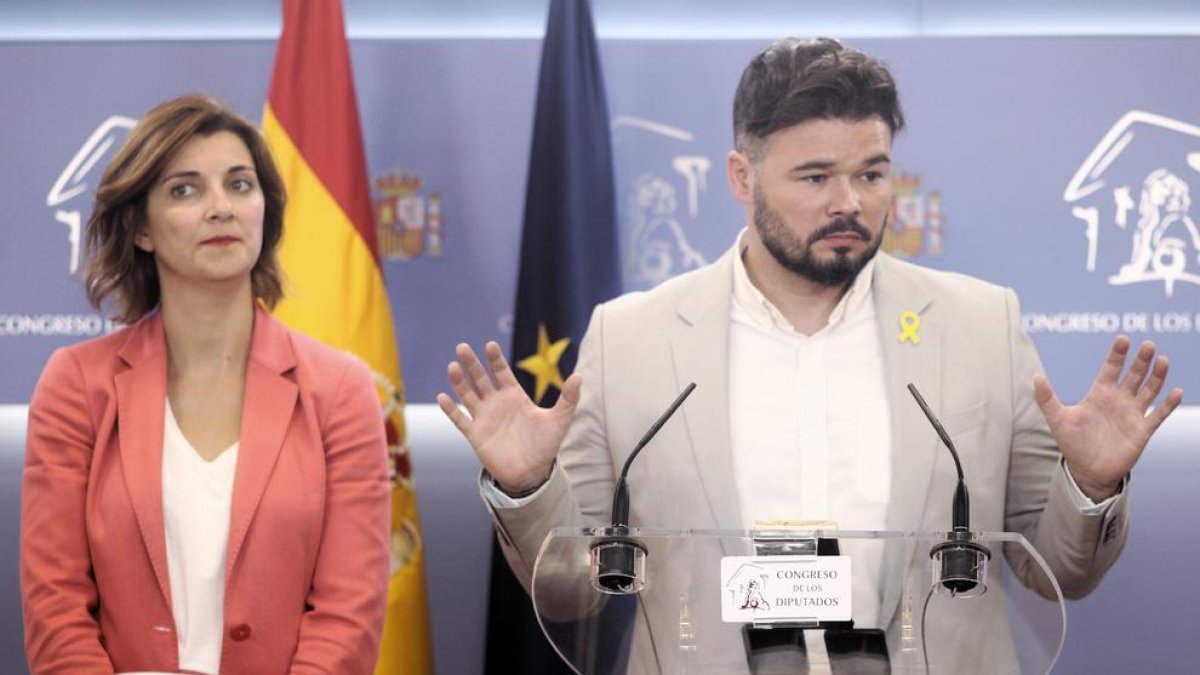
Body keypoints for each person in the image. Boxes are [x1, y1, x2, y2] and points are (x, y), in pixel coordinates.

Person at [438, 38, 1183, 673]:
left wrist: (1089, 482)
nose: (850, 202)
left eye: (871, 172)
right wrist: (532, 486)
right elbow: (573, 590)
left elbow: (1060, 569)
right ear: (741, 177)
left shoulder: (981, 325)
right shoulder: (634, 338)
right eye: (816, 176)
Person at [21, 94, 391, 675]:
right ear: (141, 228)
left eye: (239, 185)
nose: (221, 208)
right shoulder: (76, 386)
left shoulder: (340, 390)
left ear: (264, 208)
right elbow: (55, 605)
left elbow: (349, 614)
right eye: (185, 190)